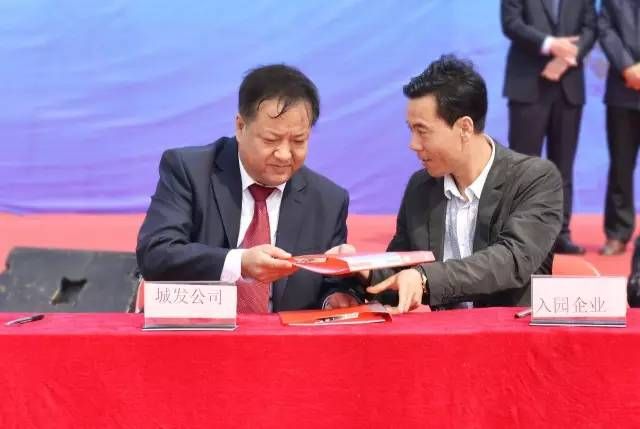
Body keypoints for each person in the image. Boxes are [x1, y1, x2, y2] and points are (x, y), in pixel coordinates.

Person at [136, 64, 360, 312]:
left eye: (298, 141)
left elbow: (331, 286)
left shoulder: (328, 200)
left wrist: (336, 297)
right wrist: (239, 263)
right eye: (271, 140)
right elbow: (156, 254)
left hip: (283, 336)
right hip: (198, 331)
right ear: (241, 127)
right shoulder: (190, 171)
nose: (284, 154)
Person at [358, 55, 562, 312]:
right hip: (443, 334)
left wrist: (426, 278)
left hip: (508, 332)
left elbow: (512, 260)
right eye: (410, 130)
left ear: (465, 128)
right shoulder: (421, 186)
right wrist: (362, 271)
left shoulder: (534, 179)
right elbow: (401, 269)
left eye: (422, 131)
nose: (413, 144)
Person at [501, 0, 597, 254]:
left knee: (563, 166)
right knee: (523, 166)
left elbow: (591, 28)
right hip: (528, 84)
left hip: (568, 86)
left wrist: (567, 58)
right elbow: (511, 23)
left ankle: (560, 234)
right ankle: (520, 235)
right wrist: (550, 44)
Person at [598, 0, 640, 256]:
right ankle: (618, 232)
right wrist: (628, 67)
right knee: (621, 166)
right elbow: (605, 29)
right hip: (622, 90)